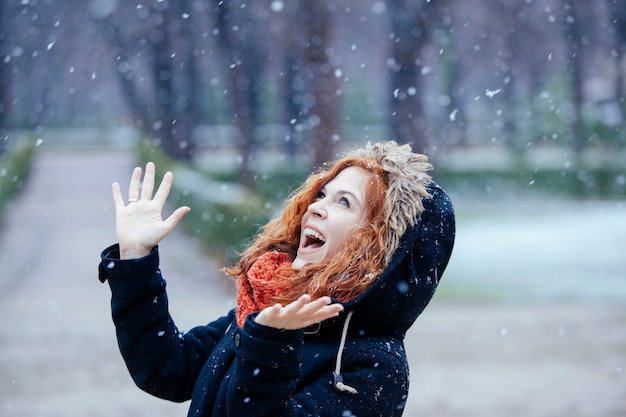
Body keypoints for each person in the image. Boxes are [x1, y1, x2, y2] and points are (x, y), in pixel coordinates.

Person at [98, 141, 455, 417]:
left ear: (378, 248)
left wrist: (271, 346)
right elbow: (167, 368)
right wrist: (136, 261)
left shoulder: (375, 365)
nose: (316, 206)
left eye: (344, 203)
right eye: (322, 193)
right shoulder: (265, 309)